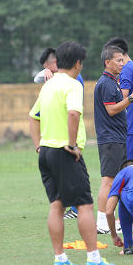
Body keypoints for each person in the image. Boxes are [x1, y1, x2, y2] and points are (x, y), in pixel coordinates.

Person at [28, 41, 115, 265]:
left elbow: (33, 117)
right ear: (78, 63)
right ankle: (94, 258)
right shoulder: (73, 84)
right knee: (84, 204)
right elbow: (74, 113)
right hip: (64, 152)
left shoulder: (48, 85)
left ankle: (60, 258)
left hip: (46, 152)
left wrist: (39, 146)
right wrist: (72, 144)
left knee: (56, 205)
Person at [93, 45, 133, 234]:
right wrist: (132, 97)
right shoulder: (106, 83)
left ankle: (110, 219)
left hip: (117, 137)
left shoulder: (112, 81)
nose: (122, 63)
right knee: (108, 180)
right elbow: (111, 109)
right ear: (108, 63)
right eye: (118, 60)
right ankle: (101, 222)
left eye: (123, 60)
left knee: (116, 180)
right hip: (110, 139)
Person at [33, 47, 85, 220]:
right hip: (63, 144)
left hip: (64, 143)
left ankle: (75, 210)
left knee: (67, 200)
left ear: (56, 62)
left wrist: (39, 146)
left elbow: (73, 114)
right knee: (69, 197)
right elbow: (37, 78)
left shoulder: (73, 81)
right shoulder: (57, 83)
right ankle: (74, 210)